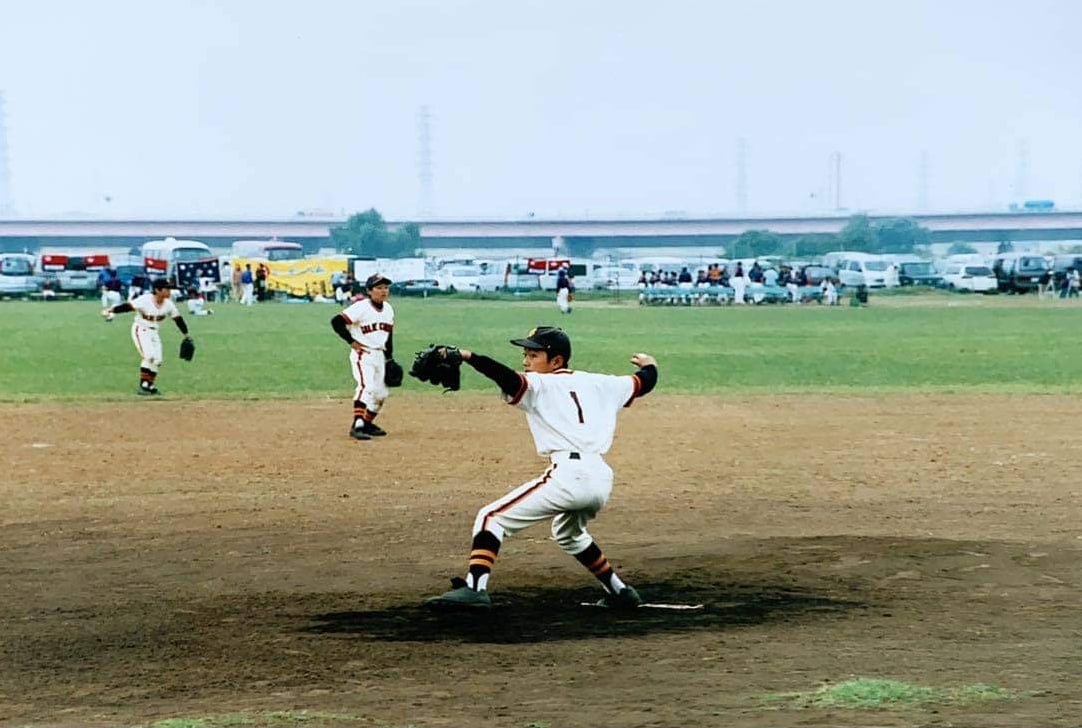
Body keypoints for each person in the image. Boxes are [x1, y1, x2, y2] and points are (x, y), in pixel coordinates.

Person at [424, 326, 659, 610]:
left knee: (491, 518)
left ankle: (475, 589)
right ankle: (619, 591)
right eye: (524, 354)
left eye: (534, 355)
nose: (526, 361)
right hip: (600, 479)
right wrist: (650, 364)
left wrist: (468, 356)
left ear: (556, 361)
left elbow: (506, 377)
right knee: (569, 534)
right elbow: (645, 381)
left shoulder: (539, 384)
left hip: (569, 476)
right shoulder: (603, 383)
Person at [329, 273, 395, 440]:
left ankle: (367, 423)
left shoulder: (388, 309)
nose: (383, 291)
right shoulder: (361, 307)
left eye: (386, 287)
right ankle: (357, 425)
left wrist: (390, 358)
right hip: (363, 354)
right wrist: (351, 341)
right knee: (367, 387)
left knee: (381, 394)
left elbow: (389, 335)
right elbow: (336, 321)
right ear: (369, 291)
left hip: (380, 355)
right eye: (379, 288)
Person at [101, 278, 193, 395]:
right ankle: (143, 385)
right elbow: (128, 307)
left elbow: (178, 319)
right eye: (167, 288)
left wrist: (186, 335)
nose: (169, 291)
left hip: (154, 332)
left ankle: (150, 385)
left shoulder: (169, 305)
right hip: (141, 329)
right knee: (149, 356)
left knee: (158, 360)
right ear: (157, 290)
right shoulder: (145, 300)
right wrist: (111, 310)